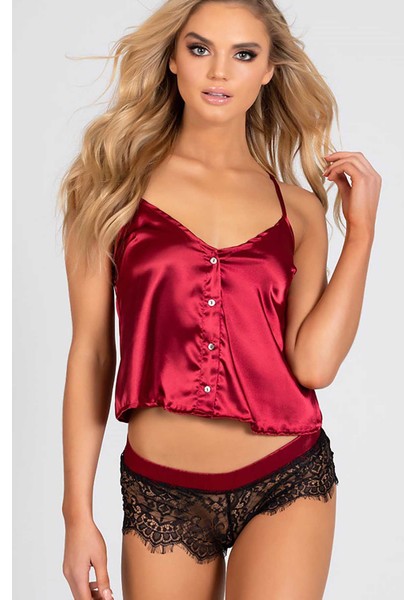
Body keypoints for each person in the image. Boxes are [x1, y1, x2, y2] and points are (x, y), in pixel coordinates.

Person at [58, 1, 382, 599]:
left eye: (244, 54)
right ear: (173, 59)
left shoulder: (298, 210)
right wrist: (77, 516)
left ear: (269, 70)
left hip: (285, 475)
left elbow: (313, 366)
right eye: (200, 48)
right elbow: (93, 353)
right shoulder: (106, 190)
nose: (219, 72)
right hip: (159, 489)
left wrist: (360, 234)